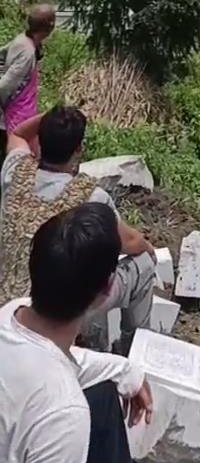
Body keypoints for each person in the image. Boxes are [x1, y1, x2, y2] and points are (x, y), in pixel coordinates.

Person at [0, 201, 153, 463]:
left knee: (104, 392)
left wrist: (125, 370)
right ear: (107, 287)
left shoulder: (11, 314)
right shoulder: (65, 415)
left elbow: (56, 359)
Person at [0, 105, 157, 346]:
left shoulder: (14, 170)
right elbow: (131, 243)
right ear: (78, 149)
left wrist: (52, 117)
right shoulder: (91, 197)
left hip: (7, 303)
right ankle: (134, 348)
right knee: (143, 264)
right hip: (52, 314)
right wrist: (150, 249)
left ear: (40, 141)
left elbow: (18, 134)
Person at [0, 4, 56, 156]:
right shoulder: (27, 52)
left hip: (22, 112)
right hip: (15, 115)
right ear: (50, 26)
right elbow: (4, 86)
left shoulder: (23, 40)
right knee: (18, 158)